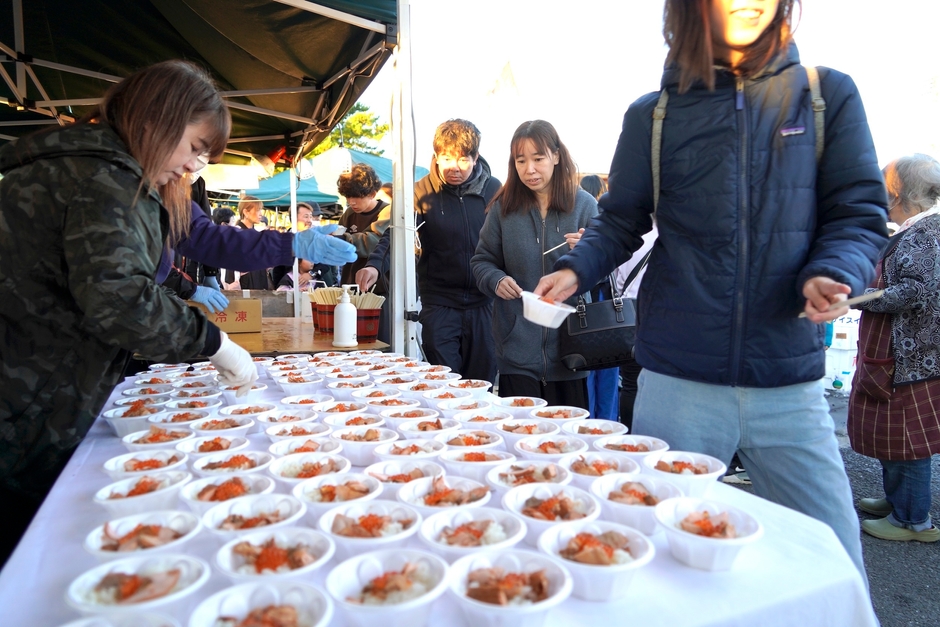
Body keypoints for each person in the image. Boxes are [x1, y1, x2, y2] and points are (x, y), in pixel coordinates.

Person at [534, 0, 888, 578]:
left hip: (787, 379)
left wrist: (835, 271)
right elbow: (621, 219)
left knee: (836, 558)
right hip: (677, 380)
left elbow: (857, 214)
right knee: (655, 559)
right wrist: (579, 267)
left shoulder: (826, 95)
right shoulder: (653, 114)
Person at [0, 60, 259, 563]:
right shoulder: (106, 178)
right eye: (193, 148)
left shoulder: (77, 163)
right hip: (27, 403)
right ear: (155, 120)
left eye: (202, 159)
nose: (190, 167)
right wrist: (213, 343)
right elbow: (118, 298)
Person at [356, 119, 501, 382]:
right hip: (440, 304)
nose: (453, 168)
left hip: (485, 304)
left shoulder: (495, 190)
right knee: (445, 382)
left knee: (482, 382)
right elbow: (395, 233)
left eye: (463, 160)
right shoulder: (420, 193)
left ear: (476, 157)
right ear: (436, 156)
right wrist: (374, 265)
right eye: (446, 158)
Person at [472, 120, 597, 406]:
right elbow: (482, 260)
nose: (529, 169)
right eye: (521, 160)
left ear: (555, 156)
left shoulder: (585, 205)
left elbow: (605, 272)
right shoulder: (504, 207)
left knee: (567, 443)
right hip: (516, 350)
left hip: (571, 350)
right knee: (519, 440)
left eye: (538, 158)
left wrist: (590, 254)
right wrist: (496, 280)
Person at [848, 154, 940, 543]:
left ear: (900, 191)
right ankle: (898, 502)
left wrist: (856, 297)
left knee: (908, 440)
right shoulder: (919, 229)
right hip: (903, 353)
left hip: (911, 357)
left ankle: (913, 521)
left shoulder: (924, 232)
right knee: (896, 434)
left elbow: (914, 292)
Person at [579, 174, 620, 420]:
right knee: (607, 378)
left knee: (589, 377)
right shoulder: (612, 222)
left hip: (587, 308)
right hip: (607, 311)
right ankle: (606, 430)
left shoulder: (580, 220)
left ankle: (590, 430)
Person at [235, 195, 273, 289]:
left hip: (259, 281)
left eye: (260, 210)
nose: (260, 214)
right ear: (246, 212)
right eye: (257, 210)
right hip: (244, 284)